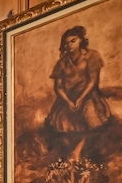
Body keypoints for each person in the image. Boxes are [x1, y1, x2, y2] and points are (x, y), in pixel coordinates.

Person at [43, 25, 113, 162]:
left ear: (81, 40)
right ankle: (73, 154)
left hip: (88, 95)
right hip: (67, 98)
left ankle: (79, 150)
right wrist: (69, 101)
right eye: (66, 43)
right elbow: (58, 87)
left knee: (92, 119)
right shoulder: (62, 62)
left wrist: (81, 99)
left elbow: (92, 82)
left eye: (73, 41)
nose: (69, 45)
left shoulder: (92, 56)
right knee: (62, 125)